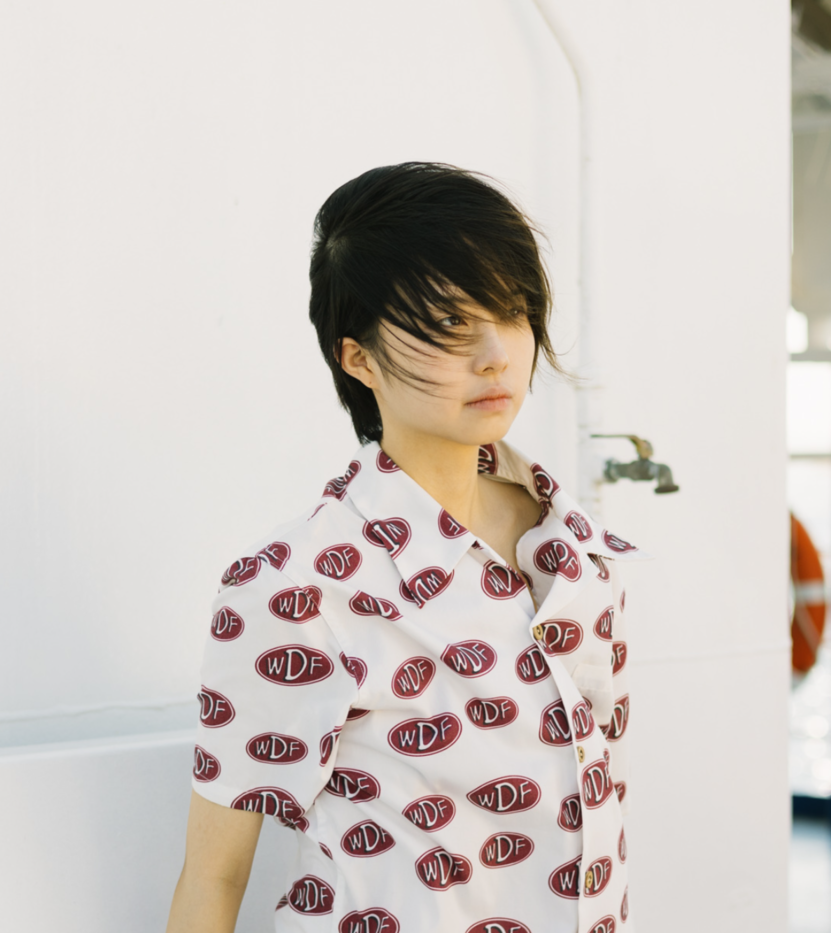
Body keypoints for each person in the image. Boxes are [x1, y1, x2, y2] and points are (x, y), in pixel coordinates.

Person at [166, 163, 645, 933]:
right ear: (357, 358)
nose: (496, 353)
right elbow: (214, 875)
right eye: (450, 322)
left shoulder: (578, 553)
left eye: (513, 310)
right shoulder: (295, 586)